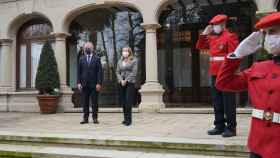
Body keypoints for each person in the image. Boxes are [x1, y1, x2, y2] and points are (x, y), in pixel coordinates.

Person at [216, 12, 280, 158]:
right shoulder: (259, 67)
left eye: (273, 32)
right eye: (266, 34)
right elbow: (223, 84)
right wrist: (237, 55)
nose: (269, 38)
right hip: (258, 143)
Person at [196, 14, 239, 137]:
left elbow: (234, 56)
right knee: (217, 101)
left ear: (223, 25)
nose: (214, 27)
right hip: (214, 73)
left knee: (228, 102)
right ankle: (219, 126)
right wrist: (204, 33)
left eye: (216, 25)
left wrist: (232, 72)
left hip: (226, 74)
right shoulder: (212, 38)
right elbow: (199, 46)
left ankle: (231, 128)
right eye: (213, 25)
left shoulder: (230, 37)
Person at [77, 42, 103, 124]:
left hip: (94, 84)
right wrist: (78, 83)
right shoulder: (81, 59)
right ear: (84, 49)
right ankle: (85, 118)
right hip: (84, 84)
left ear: (92, 48)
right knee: (85, 102)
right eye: (86, 47)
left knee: (94, 102)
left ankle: (95, 118)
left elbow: (100, 72)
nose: (87, 48)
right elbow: (78, 72)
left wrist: (99, 83)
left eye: (89, 47)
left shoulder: (97, 59)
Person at [116, 47, 138, 126]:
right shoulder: (119, 61)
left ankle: (129, 120)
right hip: (121, 83)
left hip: (130, 83)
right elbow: (117, 72)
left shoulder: (134, 60)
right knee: (124, 102)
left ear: (129, 52)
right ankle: (125, 119)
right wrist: (121, 80)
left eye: (126, 51)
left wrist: (126, 80)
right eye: (123, 51)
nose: (124, 52)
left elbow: (134, 72)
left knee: (128, 102)